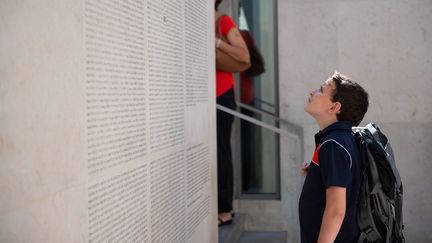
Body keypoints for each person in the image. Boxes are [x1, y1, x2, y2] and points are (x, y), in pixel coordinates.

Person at [299, 71, 369, 243]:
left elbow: (336, 210)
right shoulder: (343, 139)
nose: (312, 92)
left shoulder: (333, 144)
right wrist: (317, 173)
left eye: (321, 90)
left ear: (334, 108)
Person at [214, 0, 250, 226]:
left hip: (222, 96)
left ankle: (225, 209)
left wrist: (217, 42)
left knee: (222, 151)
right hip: (207, 98)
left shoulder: (222, 21)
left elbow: (244, 55)